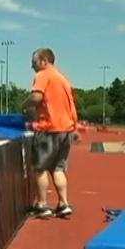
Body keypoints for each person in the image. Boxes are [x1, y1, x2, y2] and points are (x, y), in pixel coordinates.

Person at [23, 48, 79, 218]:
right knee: (58, 168)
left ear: (44, 61)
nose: (32, 66)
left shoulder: (43, 75)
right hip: (66, 129)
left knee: (40, 168)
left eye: (34, 63)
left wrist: (24, 105)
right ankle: (63, 203)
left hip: (49, 129)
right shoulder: (62, 78)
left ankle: (42, 205)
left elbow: (36, 98)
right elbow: (71, 105)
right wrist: (74, 127)